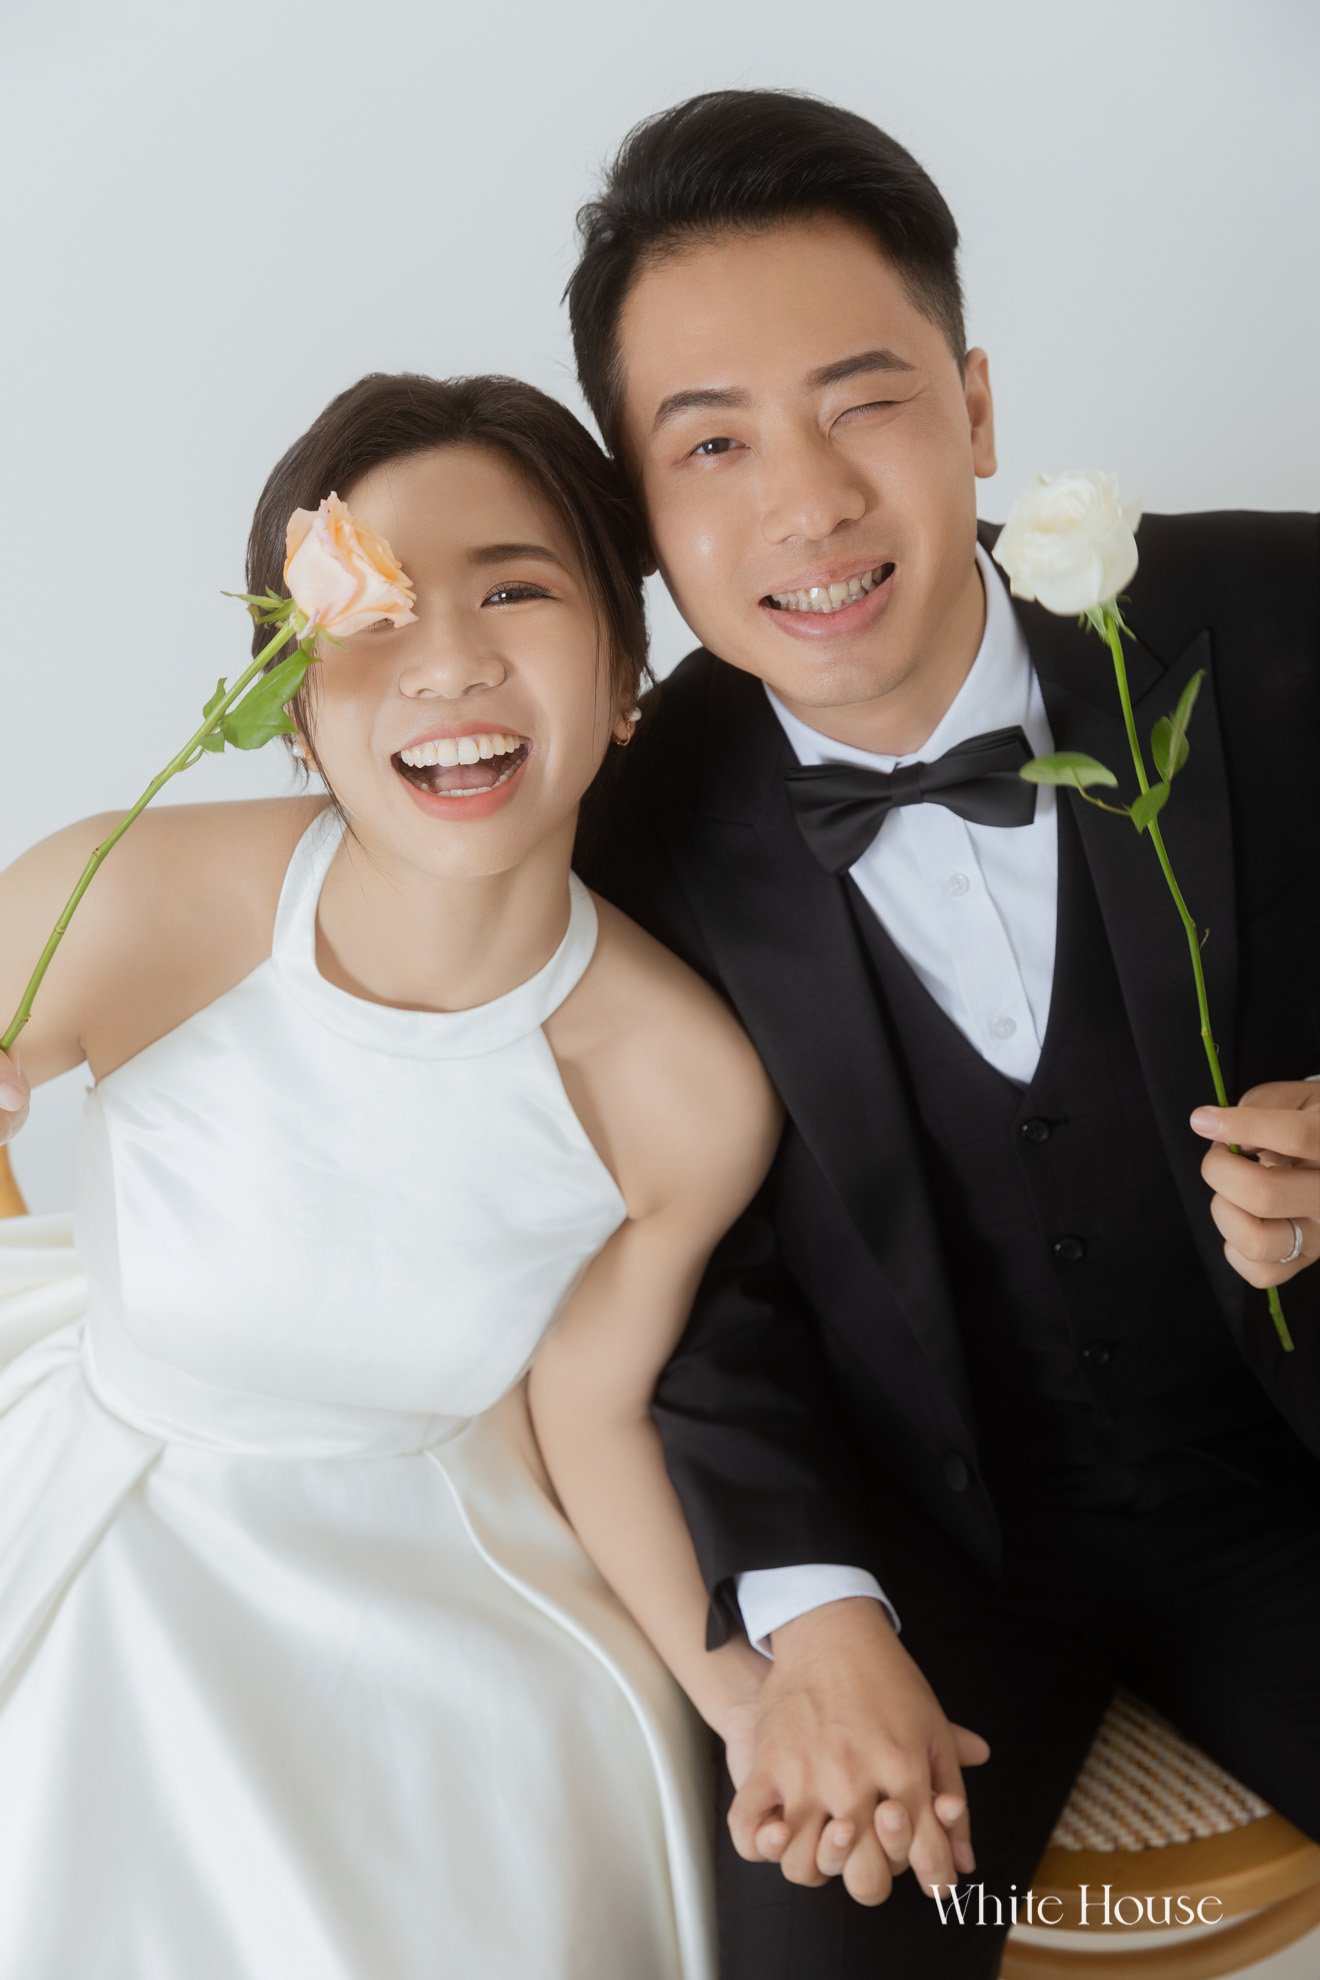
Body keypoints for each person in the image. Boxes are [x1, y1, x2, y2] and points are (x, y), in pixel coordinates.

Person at [566, 88, 1320, 1978]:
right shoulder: (619, 836)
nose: (806, 503)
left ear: (976, 409)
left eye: (865, 402)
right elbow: (688, 1286)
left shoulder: (1280, 616)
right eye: (713, 443)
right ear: (644, 513)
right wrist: (816, 1610)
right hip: (922, 1569)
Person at [0, 370, 791, 1980]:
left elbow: (589, 1412)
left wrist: (746, 1698)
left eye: (515, 591)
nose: (449, 662)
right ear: (289, 691)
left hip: (435, 1586)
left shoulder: (685, 1087)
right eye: (377, 611)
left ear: (625, 669)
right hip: (102, 1496)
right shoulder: (132, 895)